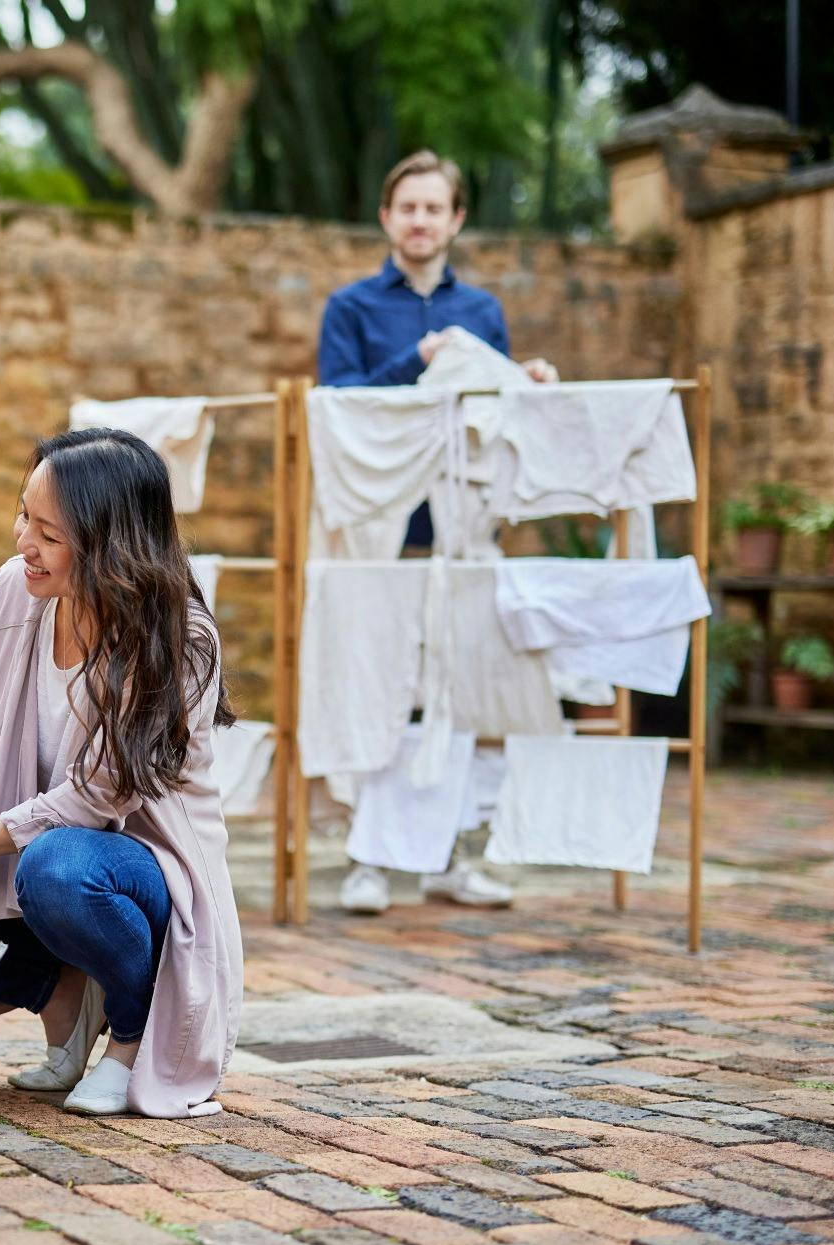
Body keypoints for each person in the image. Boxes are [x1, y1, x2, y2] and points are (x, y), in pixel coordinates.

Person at [0, 428, 242, 1119]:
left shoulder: (179, 638)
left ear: (110, 546)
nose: (22, 540)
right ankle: (65, 986)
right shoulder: (13, 593)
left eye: (48, 533)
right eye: (24, 514)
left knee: (59, 868)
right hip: (24, 858)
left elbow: (98, 797)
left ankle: (130, 1029)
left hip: (134, 870)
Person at [317, 149, 556, 917]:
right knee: (378, 690)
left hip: (460, 535)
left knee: (457, 692)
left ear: (455, 219)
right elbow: (334, 404)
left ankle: (450, 855)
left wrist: (532, 386)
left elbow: (498, 416)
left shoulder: (483, 311)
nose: (420, 220)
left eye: (434, 208)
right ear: (388, 217)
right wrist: (412, 361)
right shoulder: (349, 307)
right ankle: (369, 860)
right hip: (378, 537)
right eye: (407, 207)